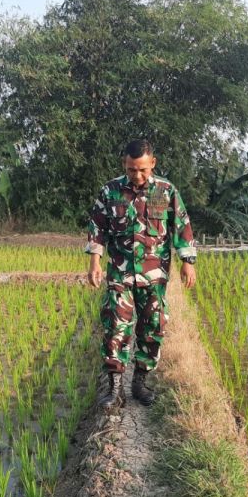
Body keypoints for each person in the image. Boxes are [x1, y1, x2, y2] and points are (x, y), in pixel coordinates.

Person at [84, 139, 197, 410]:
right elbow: (98, 227)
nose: (137, 175)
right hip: (120, 272)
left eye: (143, 170)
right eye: (132, 169)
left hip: (154, 274)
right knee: (115, 327)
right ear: (125, 163)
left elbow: (181, 225)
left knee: (153, 326)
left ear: (153, 164)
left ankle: (140, 382)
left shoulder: (166, 191)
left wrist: (187, 261)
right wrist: (95, 262)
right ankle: (114, 388)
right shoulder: (110, 191)